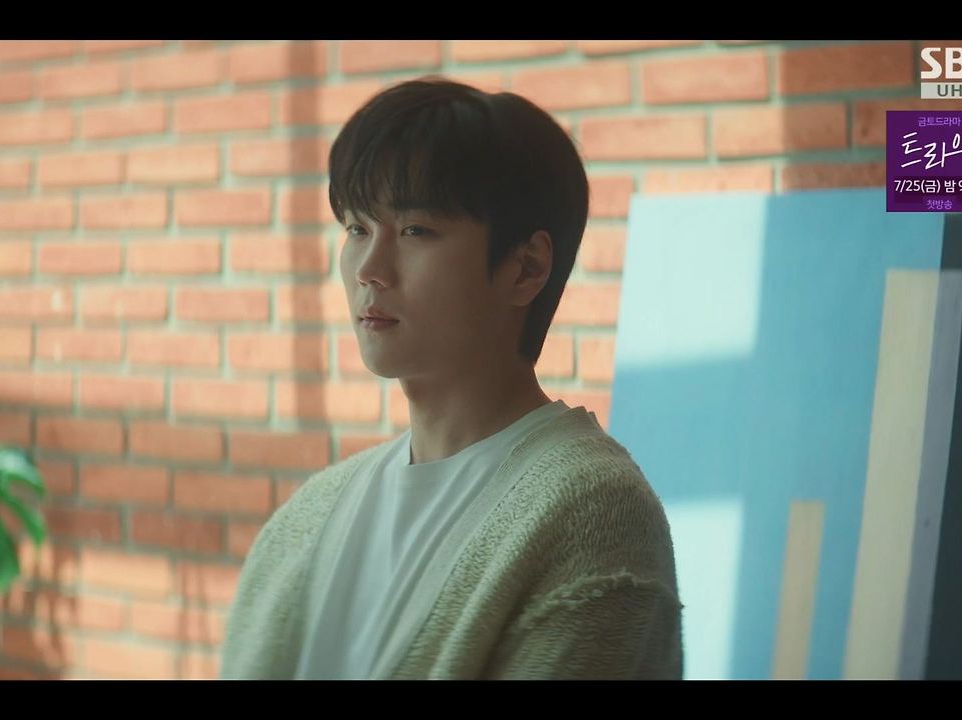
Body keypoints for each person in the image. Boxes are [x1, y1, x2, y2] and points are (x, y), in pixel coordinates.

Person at [219, 76, 683, 680]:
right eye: (358, 228)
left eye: (415, 230)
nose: (370, 269)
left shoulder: (593, 517)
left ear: (526, 267)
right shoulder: (312, 513)